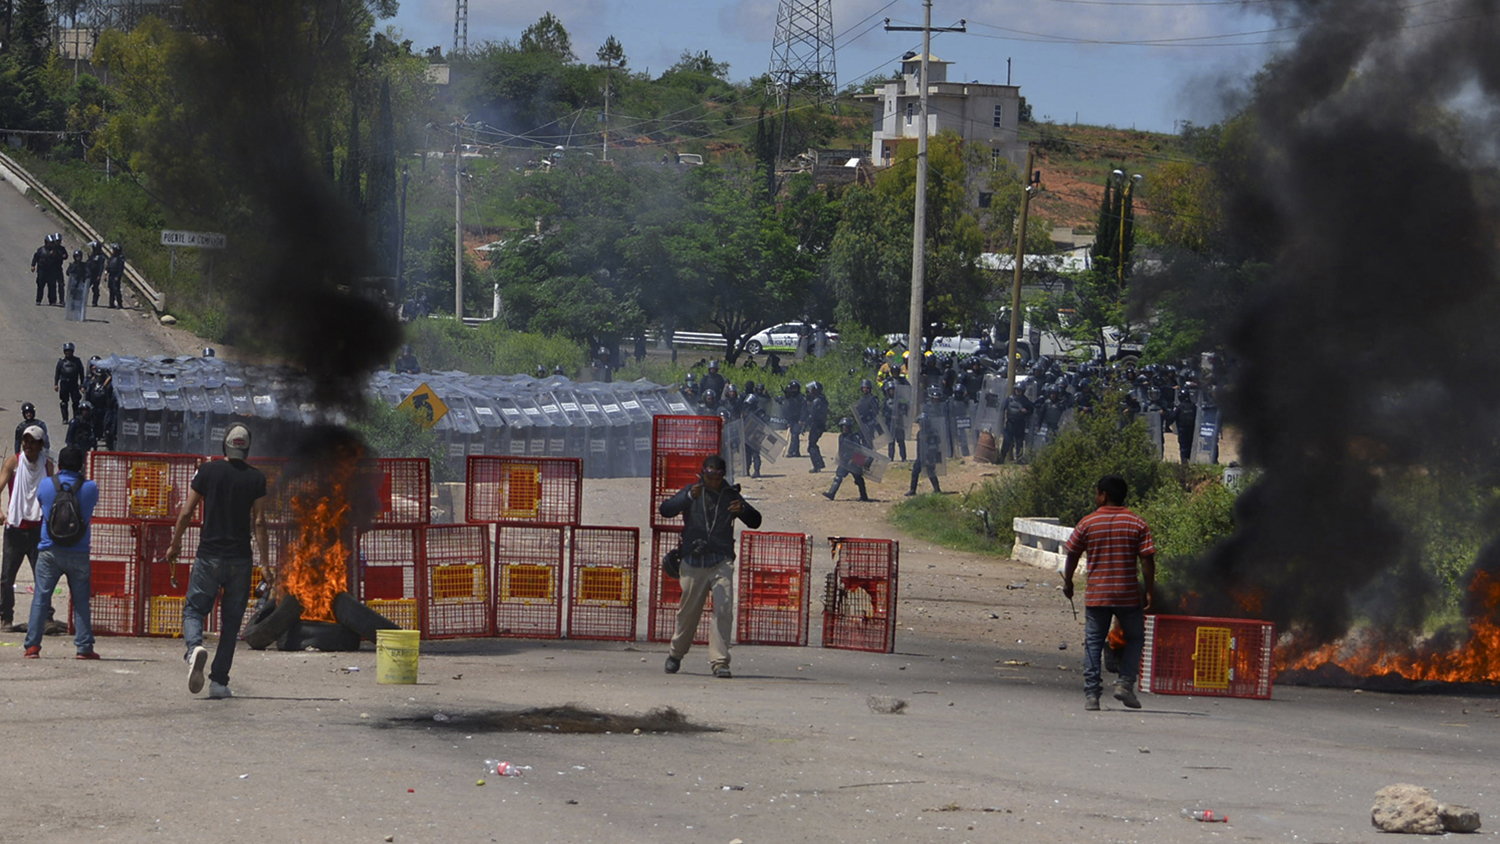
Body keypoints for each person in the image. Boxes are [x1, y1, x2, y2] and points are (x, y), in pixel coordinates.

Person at [165, 425, 270, 700]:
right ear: (246, 448)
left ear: (224, 445)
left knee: (194, 610)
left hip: (208, 555)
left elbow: (187, 512)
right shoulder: (256, 478)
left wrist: (175, 544)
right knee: (231, 623)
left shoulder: (207, 471)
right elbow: (259, 521)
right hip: (240, 559)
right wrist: (266, 564)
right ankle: (219, 682)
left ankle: (194, 650)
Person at [659, 454, 762, 679]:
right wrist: (686, 497)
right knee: (688, 613)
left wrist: (742, 510)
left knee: (723, 609)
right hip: (694, 559)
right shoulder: (692, 491)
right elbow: (665, 509)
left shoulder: (731, 495)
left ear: (723, 476)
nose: (713, 480)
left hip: (721, 559)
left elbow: (755, 521)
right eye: (709, 476)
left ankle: (720, 661)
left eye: (718, 476)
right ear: (702, 473)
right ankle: (675, 654)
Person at [1062, 474, 1157, 712]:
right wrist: (1149, 590)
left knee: (1093, 643)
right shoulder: (1137, 523)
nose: (1096, 497)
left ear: (1104, 495)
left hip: (1098, 595)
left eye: (1097, 493)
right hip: (1127, 595)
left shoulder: (1087, 523)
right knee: (1136, 638)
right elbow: (1147, 559)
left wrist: (1069, 582)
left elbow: (1072, 553)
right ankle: (1125, 684)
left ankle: (1092, 695)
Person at [21, 446, 100, 659]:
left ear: (60, 465)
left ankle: (32, 646)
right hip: (79, 552)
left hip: (49, 551)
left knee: (41, 598)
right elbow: (90, 508)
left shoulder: (46, 485)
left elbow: (42, 505)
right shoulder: (91, 487)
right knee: (81, 600)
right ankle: (84, 647)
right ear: (82, 465)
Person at [0, 427, 59, 633]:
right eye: (25, 442)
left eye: (32, 442)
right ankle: (6, 618)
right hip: (16, 529)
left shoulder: (48, 467)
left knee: (42, 576)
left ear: (41, 445)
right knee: (7, 577)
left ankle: (45, 617)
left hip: (39, 530)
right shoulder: (13, 463)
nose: (28, 446)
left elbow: (56, 496)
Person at [822, 418, 871, 502]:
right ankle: (831, 493)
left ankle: (864, 496)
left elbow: (858, 449)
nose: (844, 428)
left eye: (846, 427)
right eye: (843, 427)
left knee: (858, 479)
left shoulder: (854, 437)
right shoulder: (841, 436)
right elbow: (841, 449)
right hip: (844, 462)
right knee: (838, 477)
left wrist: (855, 461)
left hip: (853, 462)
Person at [906, 412, 943, 496]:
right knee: (915, 472)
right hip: (920, 456)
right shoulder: (920, 433)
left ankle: (937, 489)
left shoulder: (932, 432)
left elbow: (936, 444)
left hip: (929, 456)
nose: (920, 425)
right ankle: (912, 490)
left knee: (931, 473)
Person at [999, 383, 1034, 464]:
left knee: (1019, 443)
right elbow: (1002, 408)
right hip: (1010, 423)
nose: (1018, 391)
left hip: (1020, 424)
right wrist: (1002, 422)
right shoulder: (1009, 399)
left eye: (1020, 390)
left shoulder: (1025, 401)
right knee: (1006, 442)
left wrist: (1026, 412)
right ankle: (1001, 458)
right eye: (1017, 390)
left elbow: (1031, 411)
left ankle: (1019, 459)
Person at [30, 233, 65, 306]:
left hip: (51, 271)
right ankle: (38, 300)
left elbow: (60, 258)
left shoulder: (56, 251)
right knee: (40, 285)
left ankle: (52, 301)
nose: (51, 245)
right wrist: (33, 265)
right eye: (50, 243)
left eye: (52, 243)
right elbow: (35, 257)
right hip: (42, 270)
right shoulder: (41, 250)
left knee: (52, 286)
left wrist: (56, 255)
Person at [55, 342, 86, 423]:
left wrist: (82, 385)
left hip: (74, 384)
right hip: (64, 384)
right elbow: (57, 373)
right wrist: (56, 384)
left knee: (76, 402)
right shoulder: (61, 362)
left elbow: (81, 374)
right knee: (64, 402)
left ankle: (76, 418)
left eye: (69, 351)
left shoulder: (77, 361)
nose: (68, 353)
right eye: (66, 351)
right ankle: (65, 419)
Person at [803, 381, 828, 473]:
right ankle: (820, 463)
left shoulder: (817, 401)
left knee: (811, 446)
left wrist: (805, 426)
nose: (810, 391)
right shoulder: (822, 399)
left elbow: (812, 415)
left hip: (817, 425)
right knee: (813, 444)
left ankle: (817, 466)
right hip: (820, 425)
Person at [782, 381, 805, 457]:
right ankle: (797, 452)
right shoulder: (790, 397)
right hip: (791, 419)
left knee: (795, 435)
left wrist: (801, 419)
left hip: (798, 419)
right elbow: (788, 409)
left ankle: (791, 451)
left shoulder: (801, 397)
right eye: (793, 388)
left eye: (795, 388)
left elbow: (804, 409)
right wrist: (788, 421)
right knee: (794, 435)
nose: (794, 389)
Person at [104, 243, 126, 309]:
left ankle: (120, 303)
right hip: (111, 275)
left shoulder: (120, 259)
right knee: (111, 289)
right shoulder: (111, 258)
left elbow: (120, 269)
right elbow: (108, 266)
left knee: (116, 289)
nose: (112, 251)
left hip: (116, 275)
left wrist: (118, 276)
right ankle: (111, 303)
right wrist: (106, 273)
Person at [86, 241, 106, 306]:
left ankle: (95, 302)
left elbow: (101, 266)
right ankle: (84, 300)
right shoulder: (92, 255)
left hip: (96, 274)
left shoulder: (101, 257)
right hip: (89, 274)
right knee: (86, 287)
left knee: (95, 288)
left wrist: (99, 275)